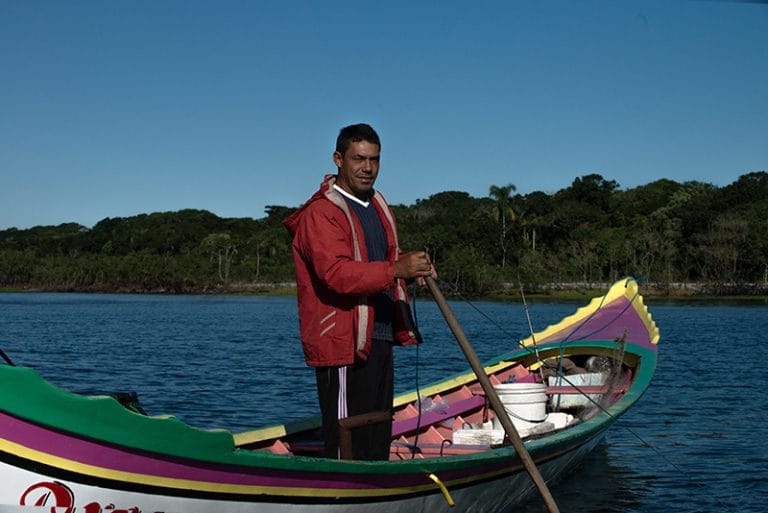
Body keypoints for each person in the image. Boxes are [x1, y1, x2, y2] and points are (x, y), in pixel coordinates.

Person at [283, 123, 435, 460]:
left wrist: (411, 267)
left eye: (374, 160)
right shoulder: (321, 212)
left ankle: (377, 492)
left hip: (377, 335)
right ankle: (342, 496)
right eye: (359, 159)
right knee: (347, 435)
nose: (367, 168)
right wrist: (396, 270)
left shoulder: (376, 204)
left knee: (377, 427)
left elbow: (382, 260)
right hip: (342, 341)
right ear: (339, 159)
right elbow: (335, 274)